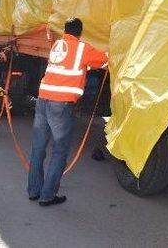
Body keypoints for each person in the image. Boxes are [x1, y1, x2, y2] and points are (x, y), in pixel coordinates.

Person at [27, 17, 108, 207]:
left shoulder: (57, 45)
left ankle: (33, 191)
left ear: (65, 30)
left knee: (38, 148)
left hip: (43, 99)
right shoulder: (82, 48)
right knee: (59, 151)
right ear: (80, 32)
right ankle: (47, 196)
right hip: (60, 105)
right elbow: (104, 61)